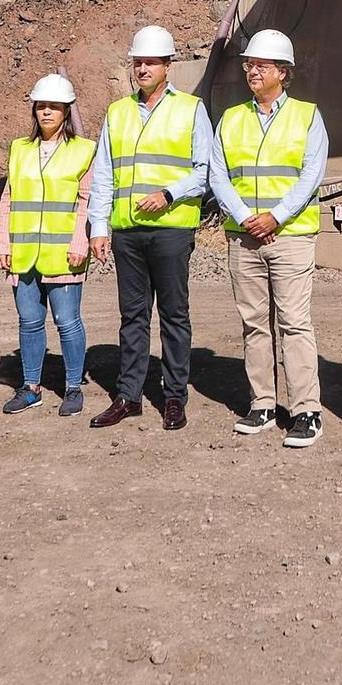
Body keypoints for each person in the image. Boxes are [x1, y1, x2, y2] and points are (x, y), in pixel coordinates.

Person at [87, 25, 214, 432]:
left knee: (174, 315)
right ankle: (129, 395)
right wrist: (98, 227)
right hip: (127, 230)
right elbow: (104, 172)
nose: (142, 68)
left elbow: (205, 169)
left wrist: (168, 194)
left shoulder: (191, 109)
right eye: (137, 62)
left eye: (150, 62)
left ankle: (174, 397)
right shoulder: (118, 112)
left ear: (167, 66)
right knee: (133, 317)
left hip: (171, 229)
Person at [207, 29, 328, 448]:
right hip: (244, 238)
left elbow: (311, 174)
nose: (251, 71)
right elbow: (217, 173)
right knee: (254, 324)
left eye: (260, 65)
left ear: (283, 72)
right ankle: (262, 402)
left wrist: (276, 216)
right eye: (248, 64)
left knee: (295, 323)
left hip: (290, 236)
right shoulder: (231, 118)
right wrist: (244, 216)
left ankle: (306, 410)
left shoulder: (307, 116)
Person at [0, 74, 97, 417]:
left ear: (66, 111)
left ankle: (72, 387)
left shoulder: (84, 151)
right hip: (24, 252)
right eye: (41, 106)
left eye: (54, 107)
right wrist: (2, 245)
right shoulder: (19, 149)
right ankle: (30, 387)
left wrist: (80, 242)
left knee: (67, 321)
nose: (47, 113)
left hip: (63, 253)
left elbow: (87, 201)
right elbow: (8, 200)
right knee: (29, 321)